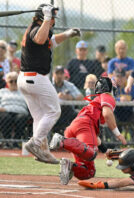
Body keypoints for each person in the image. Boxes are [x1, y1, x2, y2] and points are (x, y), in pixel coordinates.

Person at [17, 3, 81, 164]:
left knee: (40, 116)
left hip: (26, 79)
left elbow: (50, 40)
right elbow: (39, 38)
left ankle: (41, 150)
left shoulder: (40, 28)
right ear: (42, 16)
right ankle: (35, 143)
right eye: (51, 17)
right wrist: (46, 18)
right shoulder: (35, 29)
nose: (53, 20)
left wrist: (67, 34)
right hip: (35, 78)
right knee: (54, 111)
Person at [49, 77, 127, 185]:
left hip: (75, 127)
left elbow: (94, 136)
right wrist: (118, 135)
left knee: (89, 171)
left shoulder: (96, 101)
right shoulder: (107, 96)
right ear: (110, 89)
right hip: (85, 125)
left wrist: (105, 151)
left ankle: (69, 165)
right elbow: (107, 114)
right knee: (91, 153)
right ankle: (62, 141)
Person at [0, 72, 28, 148]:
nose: (14, 83)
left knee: (21, 118)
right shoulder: (2, 91)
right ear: (7, 82)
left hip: (20, 112)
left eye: (16, 81)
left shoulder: (23, 92)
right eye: (11, 81)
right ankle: (7, 141)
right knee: (5, 118)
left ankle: (16, 141)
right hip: (5, 111)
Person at [52, 65, 84, 131]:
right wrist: (56, 96)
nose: (59, 76)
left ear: (64, 75)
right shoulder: (49, 85)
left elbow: (81, 97)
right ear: (53, 74)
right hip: (53, 111)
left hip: (68, 112)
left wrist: (69, 97)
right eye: (57, 73)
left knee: (80, 115)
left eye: (61, 73)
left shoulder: (69, 85)